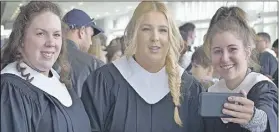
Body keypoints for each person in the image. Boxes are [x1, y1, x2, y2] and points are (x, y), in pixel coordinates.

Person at [81, 1, 205, 132]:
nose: (155, 37)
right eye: (146, 29)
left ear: (171, 36)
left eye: (163, 30)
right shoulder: (103, 82)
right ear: (134, 34)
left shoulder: (190, 88)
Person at [0, 2, 91, 132]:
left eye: (56, 35)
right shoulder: (11, 89)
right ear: (21, 39)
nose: (51, 42)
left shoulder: (58, 78)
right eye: (40, 33)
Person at [203, 6, 278, 132]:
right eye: (217, 51)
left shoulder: (262, 87)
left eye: (232, 49)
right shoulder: (210, 92)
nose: (225, 58)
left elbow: (269, 118)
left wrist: (254, 118)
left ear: (247, 52)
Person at [62, 9, 105, 97]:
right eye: (90, 35)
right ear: (81, 32)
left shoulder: (46, 58)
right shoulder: (94, 64)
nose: (91, 42)